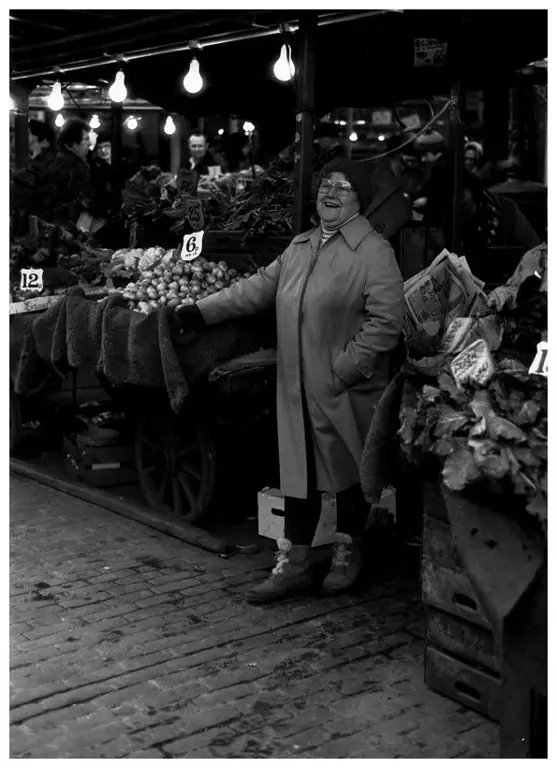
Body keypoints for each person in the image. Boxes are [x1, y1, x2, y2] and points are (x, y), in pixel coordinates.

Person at [177, 158, 404, 604]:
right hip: (296, 388)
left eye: (342, 187)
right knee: (299, 477)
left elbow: (387, 321)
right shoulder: (300, 247)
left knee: (349, 475)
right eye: (325, 184)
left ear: (360, 199)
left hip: (342, 389)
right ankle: (295, 563)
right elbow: (258, 288)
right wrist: (201, 310)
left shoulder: (374, 252)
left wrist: (345, 369)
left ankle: (347, 553)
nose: (330, 193)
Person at [424, 162, 541, 258]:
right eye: (448, 197)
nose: (455, 202)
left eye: (460, 194)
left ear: (471, 187)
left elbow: (534, 249)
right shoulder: (439, 218)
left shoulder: (505, 210)